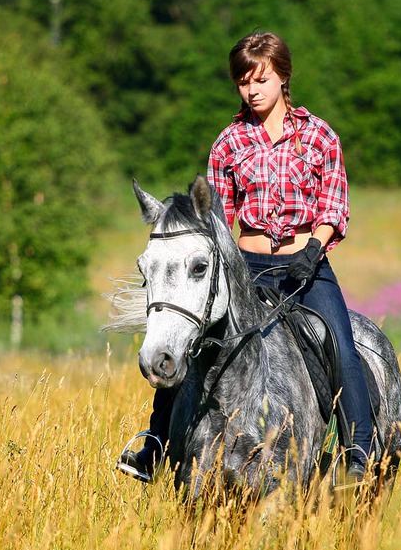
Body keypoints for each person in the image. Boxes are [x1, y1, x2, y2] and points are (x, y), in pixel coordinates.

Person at [118, 31, 374, 483]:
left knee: (340, 343)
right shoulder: (229, 142)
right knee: (192, 344)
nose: (251, 90)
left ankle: (357, 454)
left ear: (283, 77)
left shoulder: (319, 136)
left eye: (261, 79)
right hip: (247, 267)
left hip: (307, 267)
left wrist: (313, 248)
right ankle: (155, 446)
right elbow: (218, 219)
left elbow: (334, 206)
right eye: (242, 81)